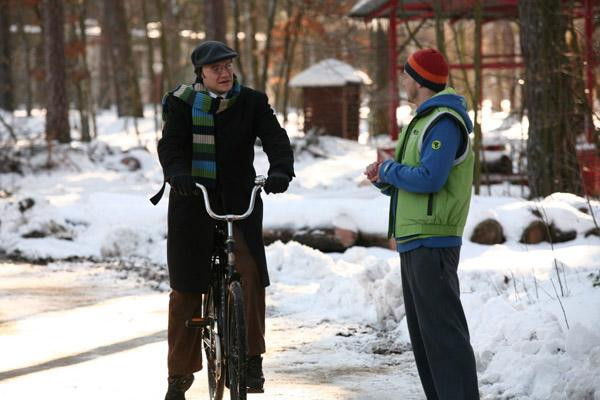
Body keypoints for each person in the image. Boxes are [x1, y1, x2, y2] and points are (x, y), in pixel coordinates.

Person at [151, 40, 295, 400]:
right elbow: (169, 145)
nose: (224, 72)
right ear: (200, 72)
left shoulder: (252, 102)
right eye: (216, 68)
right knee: (186, 289)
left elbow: (276, 139)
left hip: (237, 199)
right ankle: (179, 376)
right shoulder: (181, 103)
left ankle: (250, 361)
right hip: (193, 198)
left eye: (228, 65)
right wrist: (178, 175)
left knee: (249, 274)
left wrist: (280, 170)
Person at [365, 48, 479, 400]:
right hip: (416, 239)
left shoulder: (443, 121)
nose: (402, 79)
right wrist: (386, 179)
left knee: (444, 337)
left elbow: (431, 178)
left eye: (406, 74)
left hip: (434, 241)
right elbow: (415, 181)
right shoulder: (421, 121)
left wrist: (389, 170)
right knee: (426, 341)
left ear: (419, 80)